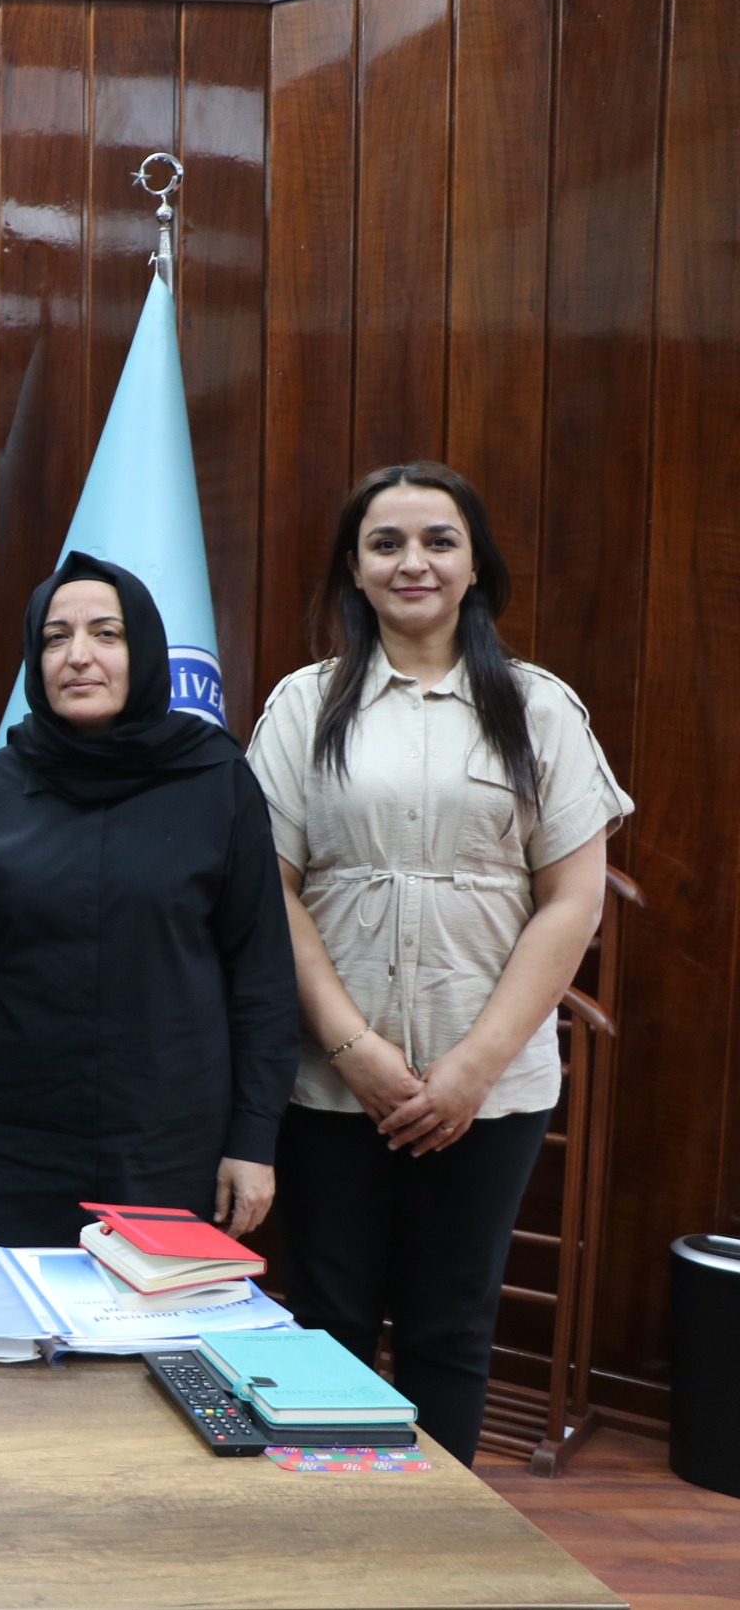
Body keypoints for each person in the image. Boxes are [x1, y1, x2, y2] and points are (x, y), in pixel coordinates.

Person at [247, 463, 630, 1465]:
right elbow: (268, 891)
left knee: (449, 1335)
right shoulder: (302, 706)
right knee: (323, 1324)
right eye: (385, 543)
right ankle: (329, 1552)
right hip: (331, 1085)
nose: (411, 560)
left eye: (437, 540)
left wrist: (470, 1067)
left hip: (489, 1092)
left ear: (473, 566)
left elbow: (570, 900)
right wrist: (355, 1047)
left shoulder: (540, 709)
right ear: (355, 571)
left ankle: (434, 1562)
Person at [0, 553, 298, 1250]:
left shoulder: (216, 779)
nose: (78, 656)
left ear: (143, 649)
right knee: (16, 1346)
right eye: (56, 637)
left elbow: (261, 978)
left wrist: (253, 1138)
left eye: (105, 634)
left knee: (152, 1351)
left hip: (173, 1147)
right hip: (10, 1146)